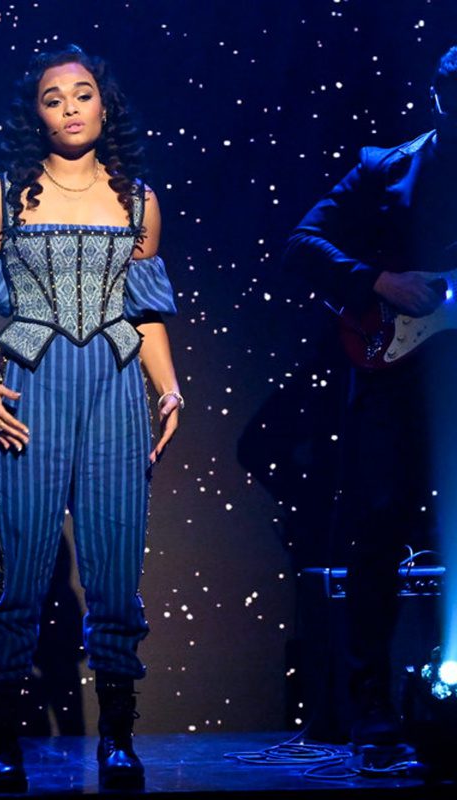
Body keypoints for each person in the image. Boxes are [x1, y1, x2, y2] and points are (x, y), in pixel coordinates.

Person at [0, 46, 182, 792]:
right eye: (54, 97)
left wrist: (169, 389)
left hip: (116, 389)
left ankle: (118, 738)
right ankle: (4, 738)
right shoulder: (4, 194)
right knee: (20, 567)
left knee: (115, 566)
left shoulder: (139, 200)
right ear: (36, 113)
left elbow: (145, 314)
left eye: (83, 94)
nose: (70, 107)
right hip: (32, 385)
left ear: (105, 106)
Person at [284, 46, 457, 748]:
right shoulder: (386, 166)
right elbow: (303, 243)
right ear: (440, 98)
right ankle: (371, 704)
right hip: (396, 370)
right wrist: (380, 282)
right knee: (379, 526)